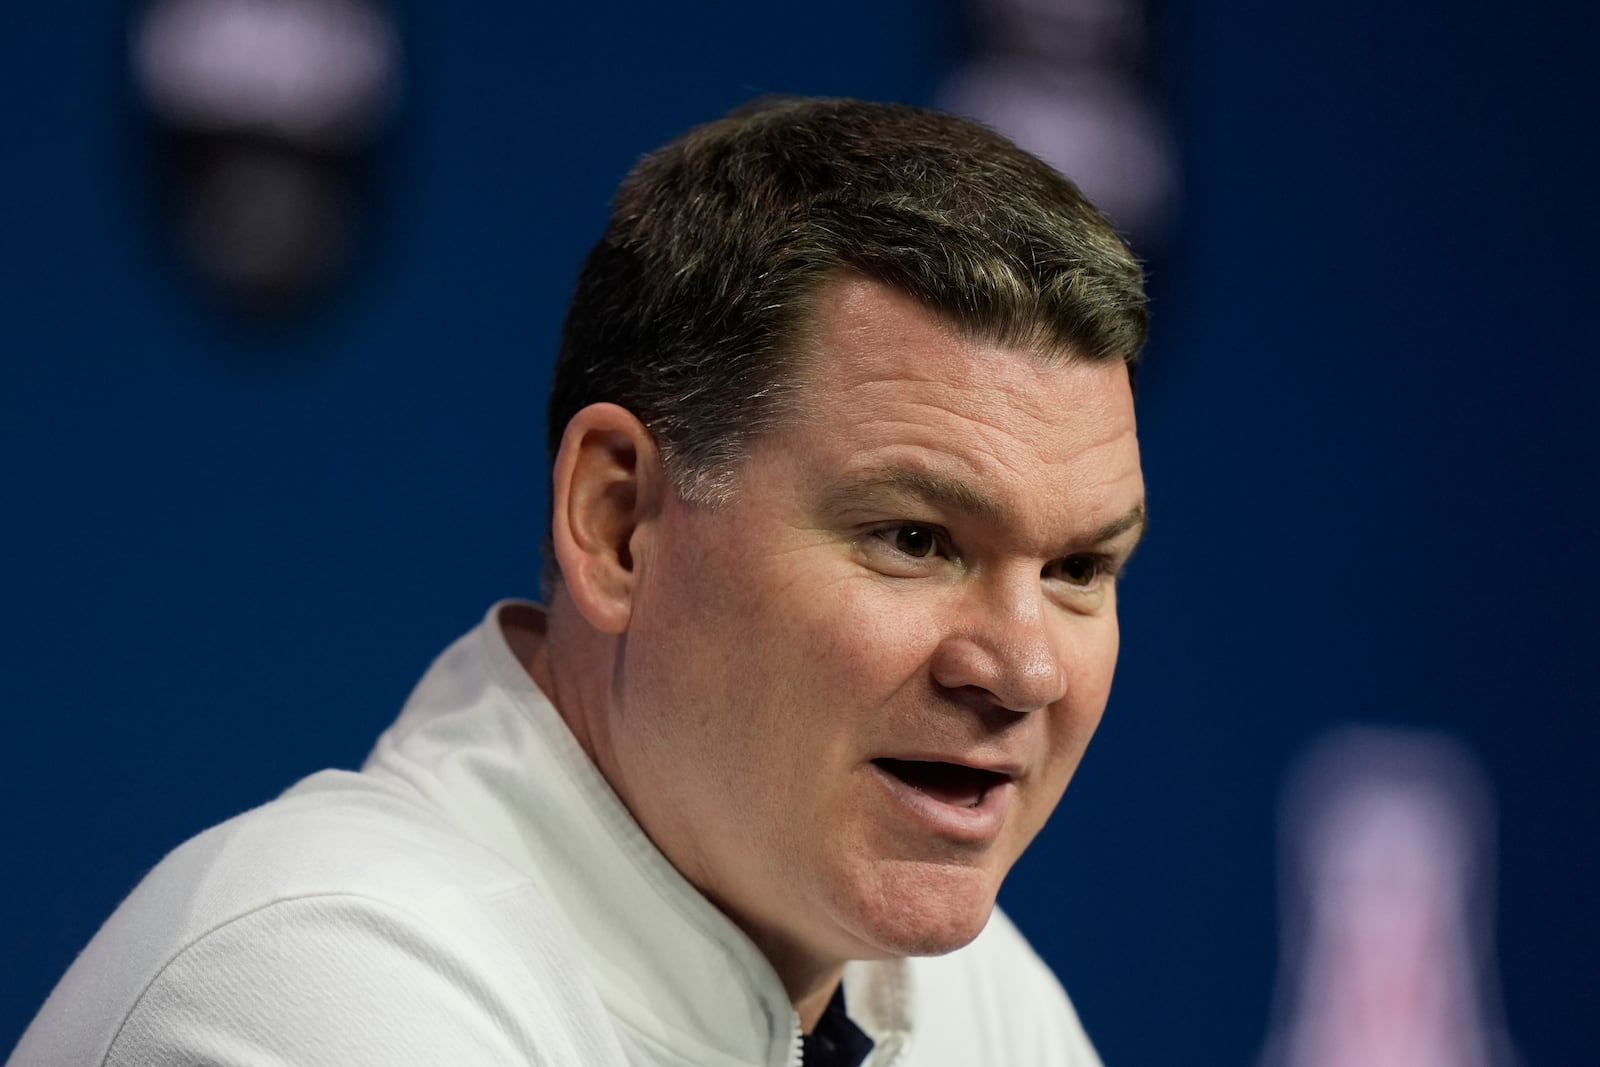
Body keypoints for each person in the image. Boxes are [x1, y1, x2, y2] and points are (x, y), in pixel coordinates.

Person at [10, 96, 1147, 1067]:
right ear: (617, 523)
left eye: (1077, 568)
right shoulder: (324, 972)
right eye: (913, 537)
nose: (1025, 667)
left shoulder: (973, 1004)